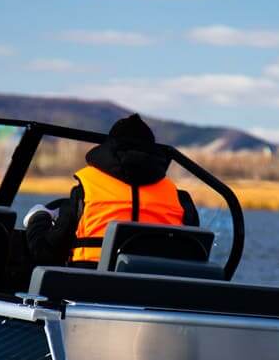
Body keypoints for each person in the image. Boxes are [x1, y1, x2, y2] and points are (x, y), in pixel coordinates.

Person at [24, 114, 198, 267]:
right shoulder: (180, 199)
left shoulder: (84, 193)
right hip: (157, 290)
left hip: (87, 288)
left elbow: (45, 253)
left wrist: (38, 217)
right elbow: (193, 255)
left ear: (108, 149)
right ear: (154, 153)